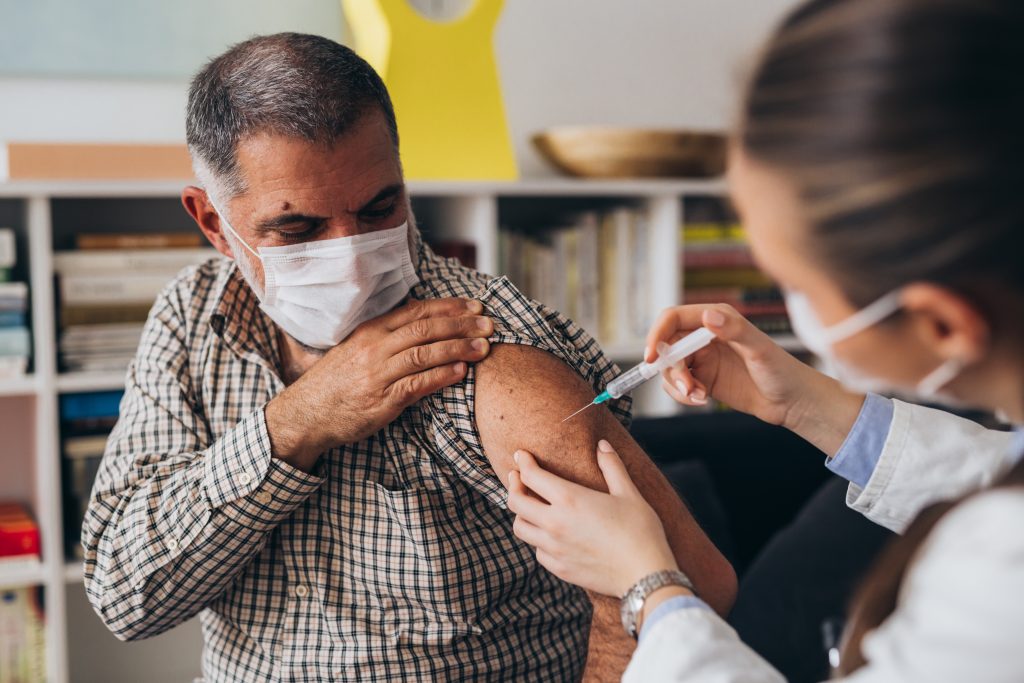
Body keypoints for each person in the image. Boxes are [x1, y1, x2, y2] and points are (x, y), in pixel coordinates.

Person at [80, 33, 736, 681]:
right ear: (214, 223)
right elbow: (123, 595)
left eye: (379, 207)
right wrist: (295, 422)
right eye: (300, 230)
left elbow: (687, 591)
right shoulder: (195, 316)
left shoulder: (487, 348)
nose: (354, 260)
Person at [506, 0, 1024, 680]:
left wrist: (646, 585)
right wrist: (808, 405)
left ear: (942, 323)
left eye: (794, 281)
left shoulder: (994, 577)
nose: (785, 306)